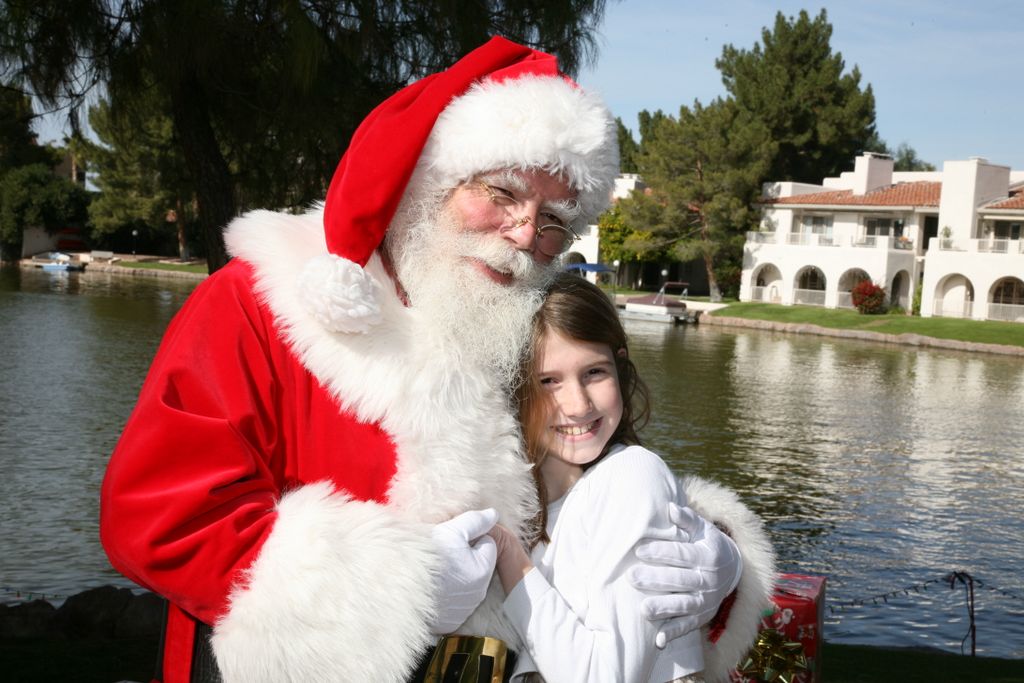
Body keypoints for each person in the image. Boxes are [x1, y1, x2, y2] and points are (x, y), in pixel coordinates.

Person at [99, 37, 773, 683]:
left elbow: (590, 495)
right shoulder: (261, 303)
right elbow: (156, 517)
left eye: (553, 221)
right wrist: (395, 585)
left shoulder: (523, 329)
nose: (523, 233)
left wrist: (707, 553)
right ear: (431, 180)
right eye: (502, 192)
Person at [486, 273, 771, 683]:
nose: (578, 403)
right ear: (516, 388)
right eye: (549, 381)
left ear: (620, 366)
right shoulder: (530, 505)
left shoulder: (630, 476)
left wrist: (510, 557)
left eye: (595, 372)